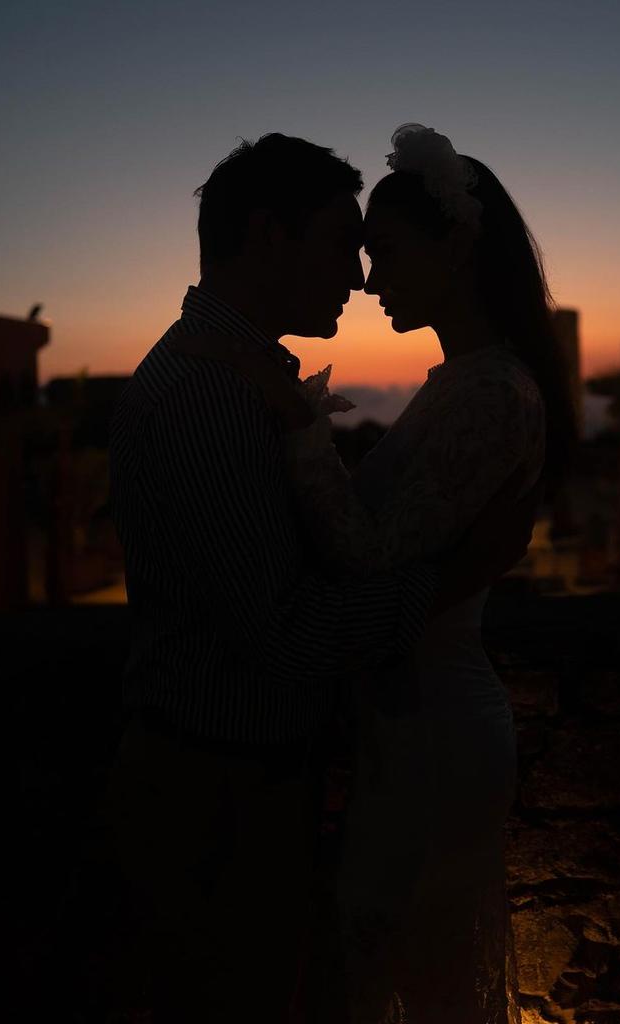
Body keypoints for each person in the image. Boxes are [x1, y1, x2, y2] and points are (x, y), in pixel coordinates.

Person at [99, 132, 538, 1024]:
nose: (360, 275)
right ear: (268, 235)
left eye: (372, 248)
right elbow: (289, 633)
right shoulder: (209, 395)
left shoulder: (240, 380)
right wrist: (459, 573)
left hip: (252, 781)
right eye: (345, 243)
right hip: (217, 791)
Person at [281, 125, 575, 1023]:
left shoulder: (491, 391)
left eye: (387, 254)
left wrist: (299, 436)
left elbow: (374, 559)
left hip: (437, 728)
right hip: (418, 721)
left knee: (406, 960)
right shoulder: (465, 382)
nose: (369, 281)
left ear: (454, 246)